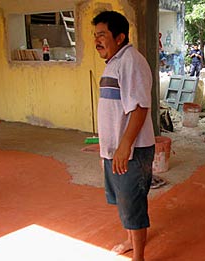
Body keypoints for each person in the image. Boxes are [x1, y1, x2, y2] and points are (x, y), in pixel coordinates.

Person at [92, 11, 155, 261]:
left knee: (133, 203)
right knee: (123, 201)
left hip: (131, 151)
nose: (96, 40)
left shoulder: (132, 61)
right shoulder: (115, 62)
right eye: (94, 35)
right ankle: (131, 242)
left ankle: (138, 256)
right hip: (115, 149)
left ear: (119, 37)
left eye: (102, 35)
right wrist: (106, 149)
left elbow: (140, 107)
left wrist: (124, 146)